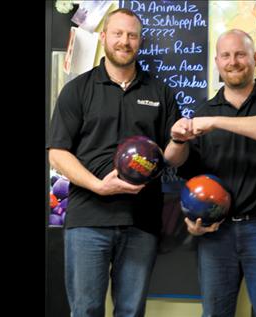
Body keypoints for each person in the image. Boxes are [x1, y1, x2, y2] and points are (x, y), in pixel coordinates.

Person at [47, 8, 187, 317]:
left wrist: (179, 140)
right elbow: (57, 152)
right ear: (104, 37)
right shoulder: (77, 90)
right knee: (86, 310)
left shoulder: (160, 92)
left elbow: (174, 159)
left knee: (130, 310)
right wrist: (98, 185)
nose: (125, 41)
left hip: (141, 223)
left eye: (132, 35)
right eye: (118, 34)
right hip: (88, 221)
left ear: (139, 41)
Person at [171, 29, 256, 317]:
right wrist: (176, 139)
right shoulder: (203, 110)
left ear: (255, 58)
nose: (233, 61)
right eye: (226, 55)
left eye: (240, 54)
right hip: (215, 233)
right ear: (216, 61)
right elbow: (184, 169)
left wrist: (214, 122)